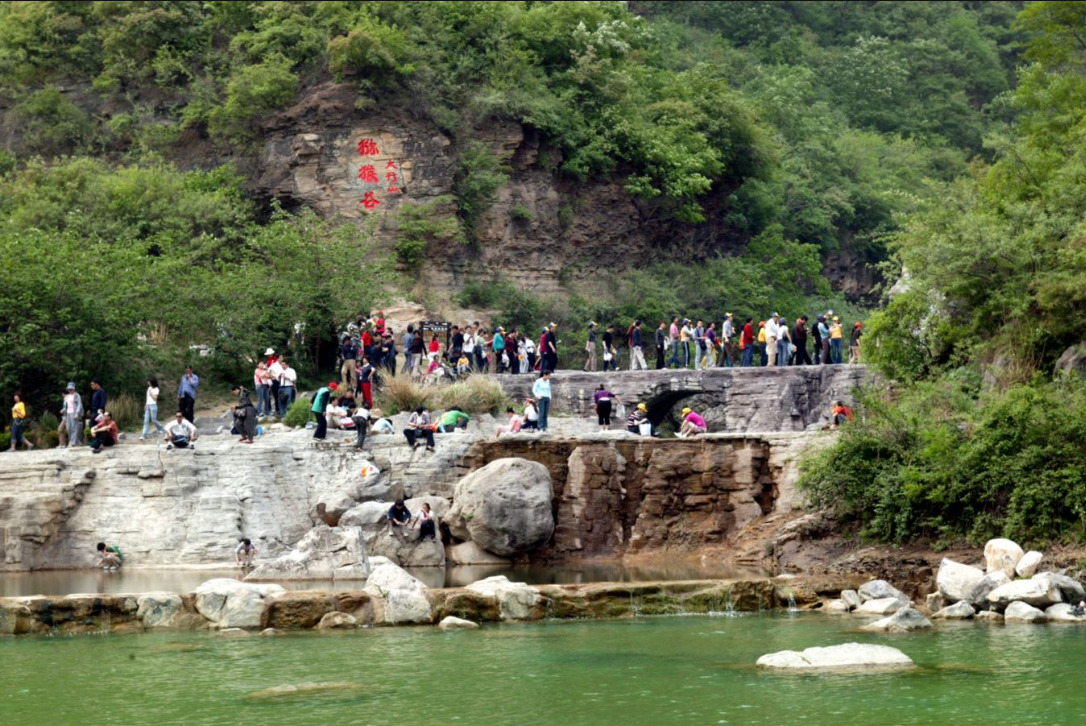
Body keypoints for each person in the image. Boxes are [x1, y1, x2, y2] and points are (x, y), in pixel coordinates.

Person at [59, 382, 84, 447]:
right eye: (69, 389)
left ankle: (72, 442)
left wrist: (77, 413)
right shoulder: (67, 396)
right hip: (68, 413)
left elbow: (79, 405)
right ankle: (77, 442)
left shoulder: (77, 395)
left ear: (74, 388)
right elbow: (65, 405)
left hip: (74, 412)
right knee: (68, 428)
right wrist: (63, 409)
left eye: (71, 389)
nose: (70, 390)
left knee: (74, 428)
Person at [267, 353, 284, 417]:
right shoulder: (274, 365)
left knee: (282, 395)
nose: (282, 358)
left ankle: (282, 408)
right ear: (278, 358)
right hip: (275, 381)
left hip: (282, 382)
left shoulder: (283, 364)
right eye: (281, 357)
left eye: (282, 357)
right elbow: (269, 371)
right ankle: (277, 409)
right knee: (276, 396)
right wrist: (272, 377)